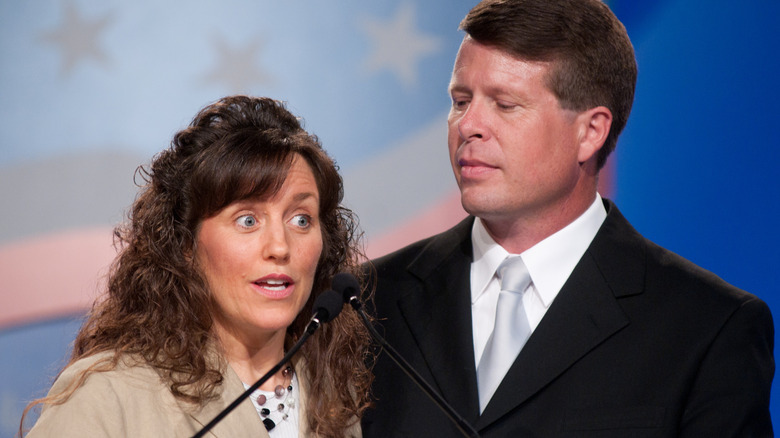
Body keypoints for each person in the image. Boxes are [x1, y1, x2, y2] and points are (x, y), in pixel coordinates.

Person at [362, 1, 774, 437]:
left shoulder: (708, 328)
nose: (469, 125)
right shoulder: (367, 303)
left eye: (505, 104)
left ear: (590, 132)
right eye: (460, 100)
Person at [22, 95, 372, 438]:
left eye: (300, 219)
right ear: (186, 244)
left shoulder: (336, 400)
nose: (280, 247)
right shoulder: (109, 398)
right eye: (247, 220)